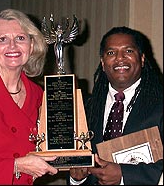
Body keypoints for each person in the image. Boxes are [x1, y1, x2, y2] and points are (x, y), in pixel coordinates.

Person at [0, 9, 58, 185]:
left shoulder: (38, 94)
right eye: (2, 39)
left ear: (31, 46)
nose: (13, 46)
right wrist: (16, 166)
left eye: (20, 38)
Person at [68, 26, 163, 185]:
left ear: (142, 58)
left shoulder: (159, 105)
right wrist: (77, 179)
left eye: (129, 51)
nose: (120, 58)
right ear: (103, 63)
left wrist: (124, 175)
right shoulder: (86, 109)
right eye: (111, 53)